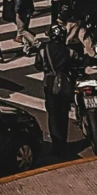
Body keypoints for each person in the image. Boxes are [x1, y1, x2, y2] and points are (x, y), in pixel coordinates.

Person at [37, 23, 75, 151]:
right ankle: (63, 142)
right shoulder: (68, 51)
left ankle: (56, 144)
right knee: (63, 113)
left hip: (49, 82)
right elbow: (76, 62)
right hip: (64, 82)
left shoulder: (44, 49)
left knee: (52, 114)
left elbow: (37, 64)